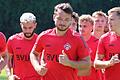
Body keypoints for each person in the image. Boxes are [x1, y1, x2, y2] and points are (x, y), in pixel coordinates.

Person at [30, 3, 91, 80]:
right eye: (59, 19)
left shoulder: (77, 38)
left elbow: (87, 64)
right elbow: (34, 53)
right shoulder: (44, 36)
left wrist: (69, 63)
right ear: (54, 17)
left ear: (71, 20)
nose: (62, 23)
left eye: (66, 19)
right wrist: (37, 67)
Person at [6, 12, 41, 80]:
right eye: (24, 27)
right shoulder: (12, 40)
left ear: (35, 25)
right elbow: (8, 61)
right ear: (20, 25)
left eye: (30, 27)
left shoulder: (40, 40)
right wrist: (9, 75)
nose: (27, 31)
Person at [94, 7, 120, 80]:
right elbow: (96, 63)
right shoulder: (104, 38)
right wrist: (109, 63)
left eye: (111, 19)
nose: (108, 22)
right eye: (108, 20)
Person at [78, 14, 102, 80]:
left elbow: (100, 64)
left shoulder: (98, 43)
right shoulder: (74, 42)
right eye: (80, 26)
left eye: (84, 26)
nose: (81, 29)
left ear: (92, 27)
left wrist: (86, 63)